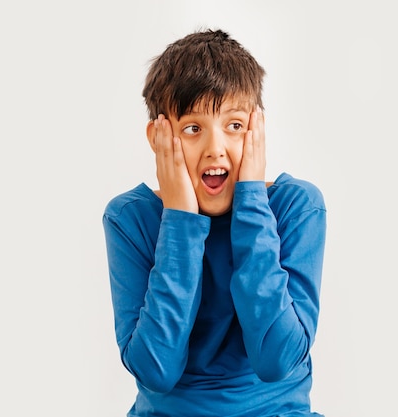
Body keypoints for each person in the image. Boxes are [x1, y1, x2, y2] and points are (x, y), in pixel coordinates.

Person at [102, 28, 327, 417]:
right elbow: (156, 368)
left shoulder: (296, 206)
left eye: (235, 126)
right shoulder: (130, 218)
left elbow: (277, 360)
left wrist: (252, 200)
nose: (215, 149)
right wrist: (179, 220)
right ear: (159, 137)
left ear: (256, 130)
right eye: (193, 129)